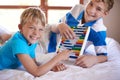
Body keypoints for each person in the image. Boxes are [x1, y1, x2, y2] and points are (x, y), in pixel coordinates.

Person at [0, 7, 72, 77]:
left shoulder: (32, 41)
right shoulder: (18, 43)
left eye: (40, 29)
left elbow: (34, 64)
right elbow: (36, 72)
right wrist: (58, 58)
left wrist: (51, 67)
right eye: (31, 28)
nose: (36, 33)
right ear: (20, 27)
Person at [49, 0, 114, 68]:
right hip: (49, 40)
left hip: (60, 54)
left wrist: (94, 59)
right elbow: (53, 27)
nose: (91, 10)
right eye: (91, 4)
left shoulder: (99, 31)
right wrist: (60, 25)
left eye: (98, 9)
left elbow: (104, 57)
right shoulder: (76, 9)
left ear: (105, 14)